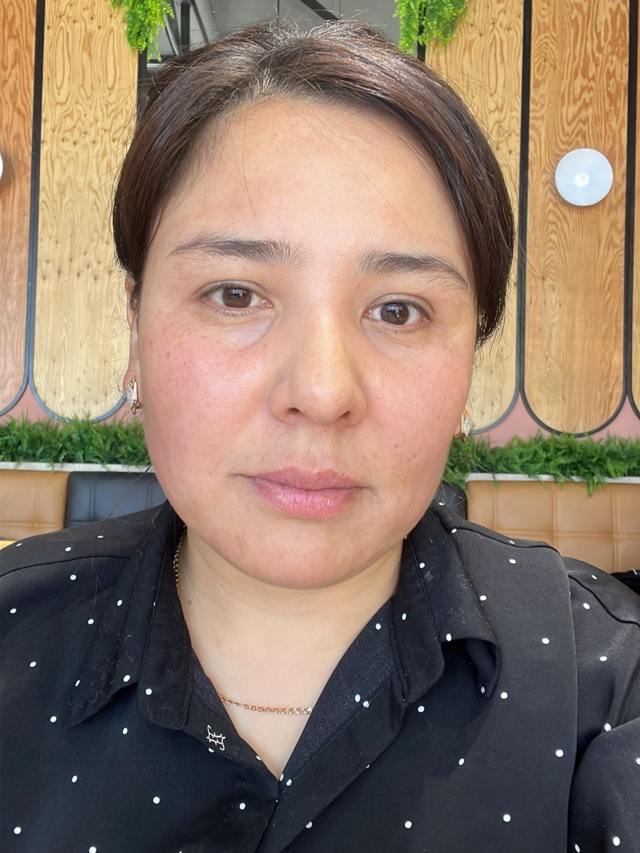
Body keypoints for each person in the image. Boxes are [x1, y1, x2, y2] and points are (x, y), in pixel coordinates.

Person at [1, 20, 639, 853]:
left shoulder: (608, 685)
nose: (323, 391)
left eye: (399, 310)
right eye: (235, 295)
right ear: (135, 327)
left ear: (468, 362)